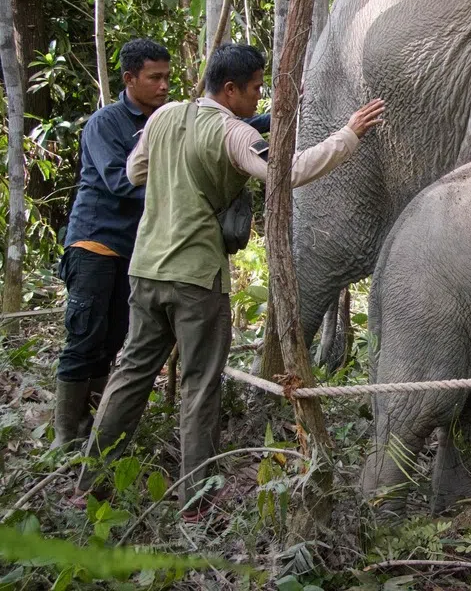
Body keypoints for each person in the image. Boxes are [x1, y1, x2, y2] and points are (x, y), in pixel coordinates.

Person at [74, 43, 386, 517]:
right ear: (230, 89)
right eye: (256, 88)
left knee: (132, 373)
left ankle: (90, 481)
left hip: (146, 268)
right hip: (196, 277)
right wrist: (350, 134)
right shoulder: (233, 133)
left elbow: (135, 171)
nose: (259, 97)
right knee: (200, 385)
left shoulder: (164, 117)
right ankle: (195, 499)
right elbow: (288, 172)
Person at [54, 39, 171, 449]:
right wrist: (177, 189)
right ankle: (64, 436)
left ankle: (93, 428)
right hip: (95, 243)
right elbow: (119, 182)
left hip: (133, 251)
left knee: (113, 337)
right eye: (154, 78)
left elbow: (216, 127)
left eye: (167, 78)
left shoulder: (165, 120)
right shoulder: (106, 123)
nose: (163, 86)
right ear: (129, 79)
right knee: (85, 337)